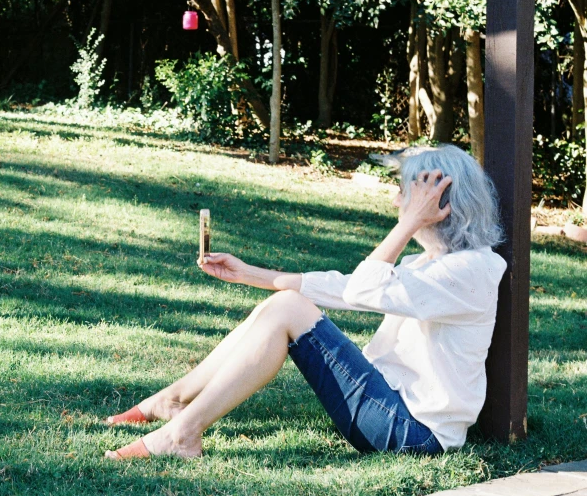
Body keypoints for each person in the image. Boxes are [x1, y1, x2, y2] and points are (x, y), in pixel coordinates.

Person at [104, 144, 506, 460]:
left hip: (413, 432)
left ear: (437, 205)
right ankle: (171, 401)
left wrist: (408, 223)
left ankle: (182, 434)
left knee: (288, 307)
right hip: (390, 407)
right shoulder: (435, 262)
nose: (398, 204)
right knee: (285, 302)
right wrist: (252, 274)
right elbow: (350, 288)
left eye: (407, 195)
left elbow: (366, 287)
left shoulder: (471, 271)